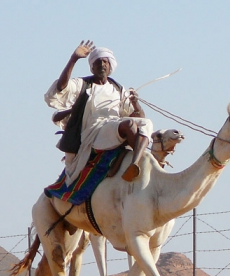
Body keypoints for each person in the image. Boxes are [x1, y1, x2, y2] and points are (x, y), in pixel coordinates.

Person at [45, 40, 152, 184]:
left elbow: (139, 116)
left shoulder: (118, 88)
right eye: (98, 62)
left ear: (110, 66)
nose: (102, 65)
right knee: (129, 125)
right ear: (92, 68)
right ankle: (139, 162)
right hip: (94, 132)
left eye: (105, 62)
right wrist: (74, 59)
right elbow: (61, 87)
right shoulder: (83, 84)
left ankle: (136, 163)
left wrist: (135, 103)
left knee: (146, 123)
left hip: (114, 126)